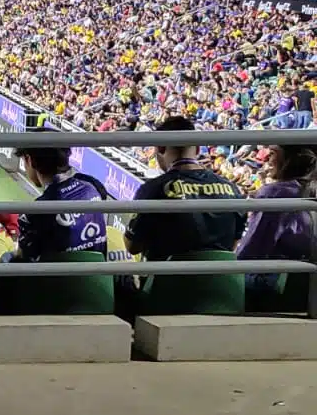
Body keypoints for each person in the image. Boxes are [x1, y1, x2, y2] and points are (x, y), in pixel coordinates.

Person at [126, 116, 245, 262]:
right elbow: (232, 245)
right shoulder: (232, 190)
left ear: (161, 148)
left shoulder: (154, 189)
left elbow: (132, 246)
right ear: (196, 149)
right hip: (221, 282)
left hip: (168, 282)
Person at [237, 144, 317, 298]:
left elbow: (250, 252)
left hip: (284, 285)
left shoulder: (276, 193)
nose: (265, 157)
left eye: (272, 153)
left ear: (291, 159)